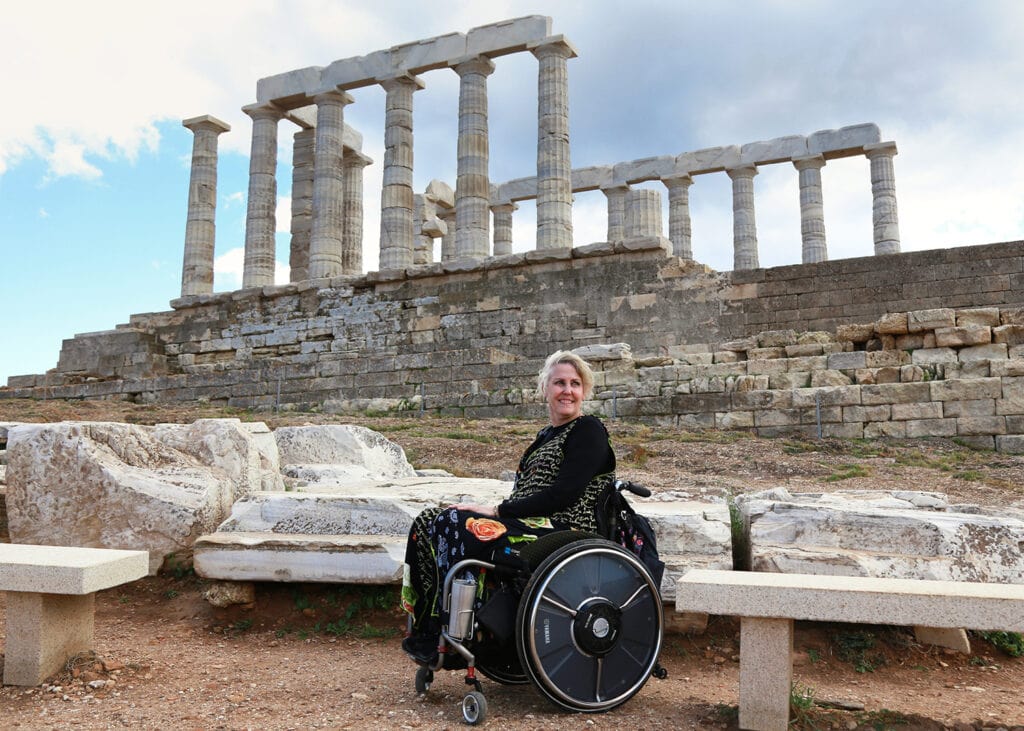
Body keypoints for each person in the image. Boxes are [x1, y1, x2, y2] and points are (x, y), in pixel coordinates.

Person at [401, 350, 616, 662]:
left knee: (456, 525)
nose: (567, 390)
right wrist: (489, 509)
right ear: (545, 389)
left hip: (565, 533)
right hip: (528, 525)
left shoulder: (589, 430)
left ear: (584, 391)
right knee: (429, 520)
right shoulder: (544, 437)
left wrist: (498, 511)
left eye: (575, 383)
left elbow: (565, 495)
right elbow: (525, 494)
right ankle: (428, 625)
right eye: (559, 383)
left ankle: (460, 634)